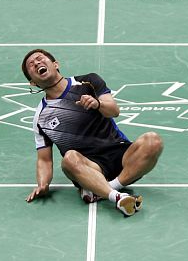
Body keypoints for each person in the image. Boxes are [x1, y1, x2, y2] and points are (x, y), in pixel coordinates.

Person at [22, 48, 164, 217]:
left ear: (55, 64)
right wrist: (43, 184)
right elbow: (44, 159)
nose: (37, 63)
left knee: (152, 141)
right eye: (31, 65)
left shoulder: (88, 82)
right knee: (69, 159)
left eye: (40, 58)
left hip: (120, 154)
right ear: (32, 82)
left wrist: (97, 104)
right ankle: (117, 197)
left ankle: (106, 188)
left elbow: (114, 111)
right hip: (88, 167)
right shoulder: (41, 117)